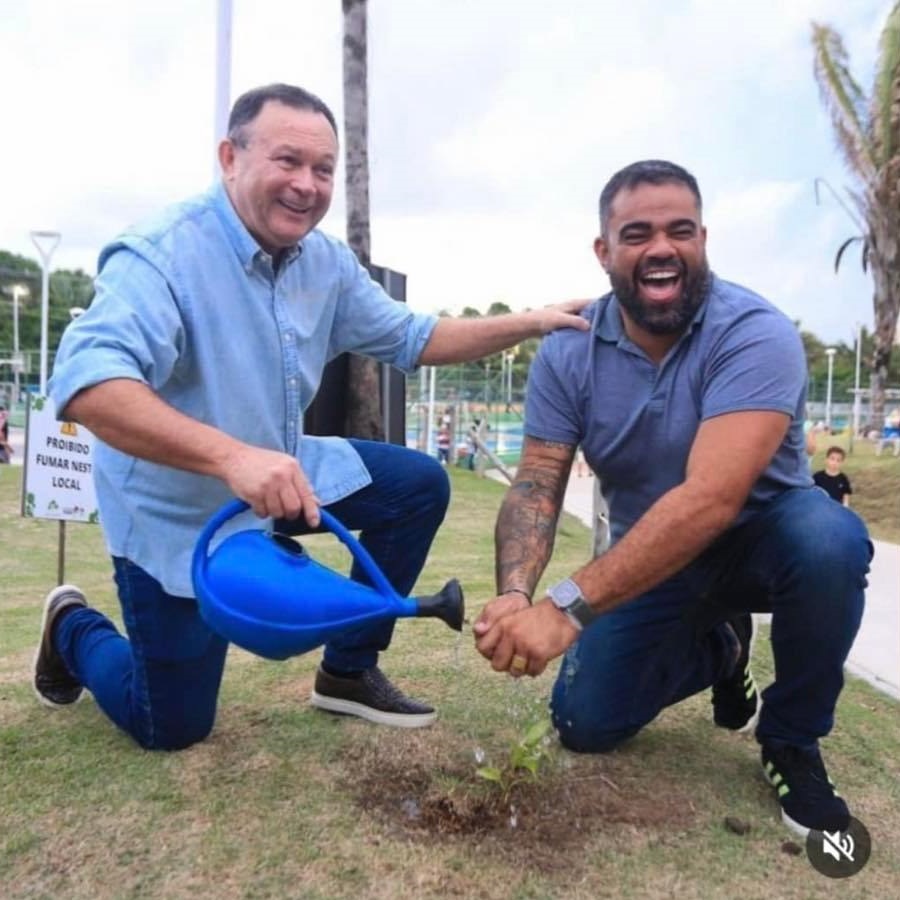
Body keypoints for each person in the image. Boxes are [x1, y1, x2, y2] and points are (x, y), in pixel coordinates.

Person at [35, 83, 589, 752]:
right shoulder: (162, 254)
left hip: (285, 476)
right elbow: (88, 384)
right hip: (178, 511)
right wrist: (233, 458)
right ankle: (71, 626)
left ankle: (348, 672)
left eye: (323, 169)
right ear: (229, 158)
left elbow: (416, 338)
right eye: (287, 161)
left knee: (418, 485)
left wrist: (530, 322)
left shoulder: (324, 262)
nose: (307, 185)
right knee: (171, 725)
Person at [474, 160, 872, 838]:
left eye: (679, 230)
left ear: (703, 239)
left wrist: (566, 608)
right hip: (651, 555)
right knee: (584, 723)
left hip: (760, 539)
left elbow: (712, 499)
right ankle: (723, 651)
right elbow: (538, 478)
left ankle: (791, 740)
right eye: (637, 233)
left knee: (829, 538)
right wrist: (516, 593)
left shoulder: (753, 332)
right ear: (605, 252)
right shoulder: (567, 353)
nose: (661, 247)